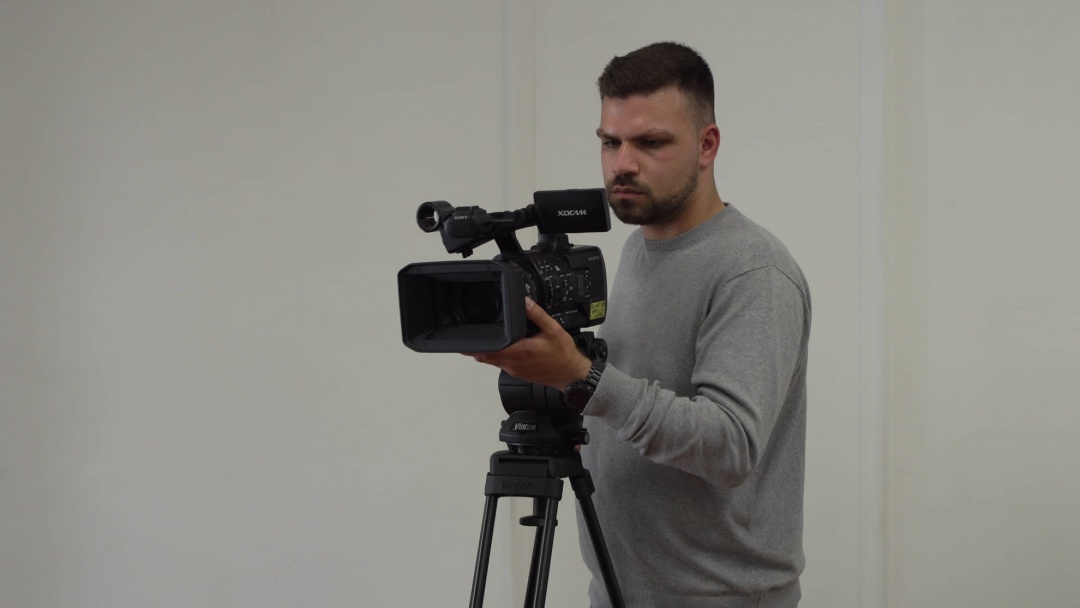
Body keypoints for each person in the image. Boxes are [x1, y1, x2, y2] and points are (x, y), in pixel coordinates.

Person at [467, 41, 811, 608]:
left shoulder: (753, 270)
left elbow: (730, 445)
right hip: (618, 592)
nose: (622, 163)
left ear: (707, 144)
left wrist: (581, 377)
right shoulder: (634, 251)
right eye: (610, 142)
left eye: (651, 143)